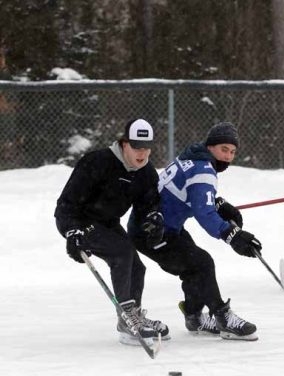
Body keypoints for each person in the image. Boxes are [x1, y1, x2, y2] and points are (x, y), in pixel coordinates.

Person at [127, 122, 262, 341]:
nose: (228, 156)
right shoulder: (204, 170)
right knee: (202, 263)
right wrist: (232, 235)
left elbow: (188, 194)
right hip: (153, 232)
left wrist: (218, 203)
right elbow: (203, 213)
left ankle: (194, 317)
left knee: (194, 264)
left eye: (233, 152)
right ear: (210, 147)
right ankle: (223, 317)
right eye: (224, 149)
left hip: (156, 226)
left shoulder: (190, 157)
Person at [54, 118, 169, 346]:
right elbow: (65, 204)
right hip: (79, 220)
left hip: (107, 222)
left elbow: (150, 204)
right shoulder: (97, 162)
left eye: (146, 147)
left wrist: (154, 219)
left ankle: (132, 314)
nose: (142, 153)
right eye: (136, 147)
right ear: (124, 143)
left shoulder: (145, 172)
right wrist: (72, 232)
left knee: (137, 266)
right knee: (122, 252)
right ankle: (127, 321)